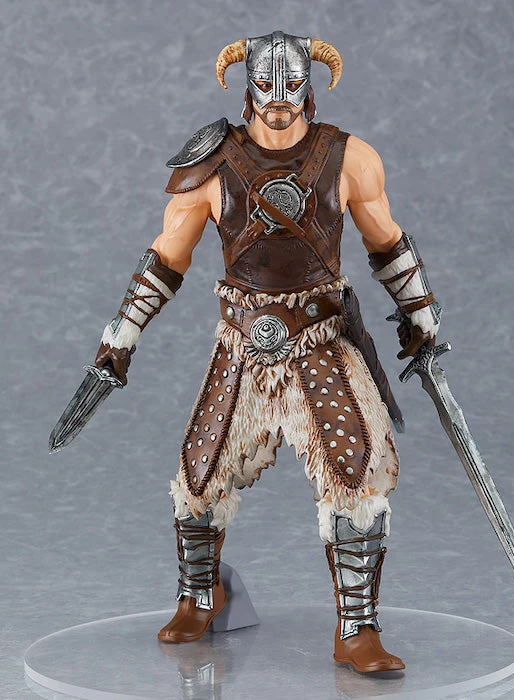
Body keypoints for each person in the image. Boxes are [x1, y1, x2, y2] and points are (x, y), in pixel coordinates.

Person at [94, 31, 440, 673]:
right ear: (246, 87)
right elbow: (167, 257)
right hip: (243, 341)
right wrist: (122, 335)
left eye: (291, 87)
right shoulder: (210, 164)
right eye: (266, 87)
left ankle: (356, 628)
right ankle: (201, 595)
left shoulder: (350, 158)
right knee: (200, 472)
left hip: (321, 338)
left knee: (355, 472)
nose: (278, 101)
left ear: (311, 86)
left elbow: (386, 242)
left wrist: (421, 315)